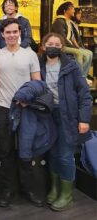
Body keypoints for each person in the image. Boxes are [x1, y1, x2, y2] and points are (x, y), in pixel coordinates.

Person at [0, 18, 42, 208]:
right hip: (3, 108)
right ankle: (7, 190)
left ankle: (29, 189)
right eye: (7, 32)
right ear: (2, 34)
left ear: (20, 32)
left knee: (26, 152)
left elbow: (37, 83)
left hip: (25, 109)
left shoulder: (30, 54)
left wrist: (28, 98)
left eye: (14, 32)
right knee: (6, 152)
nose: (11, 35)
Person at [39, 32, 92, 211]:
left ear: (62, 47)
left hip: (67, 117)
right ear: (43, 46)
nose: (52, 46)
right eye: (49, 43)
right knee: (52, 154)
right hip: (48, 116)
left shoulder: (72, 66)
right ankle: (55, 188)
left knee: (65, 155)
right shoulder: (39, 65)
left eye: (56, 43)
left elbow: (85, 95)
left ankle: (66, 194)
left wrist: (84, 119)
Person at [51, 2, 92, 77]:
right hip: (60, 46)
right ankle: (78, 77)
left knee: (89, 53)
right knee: (79, 53)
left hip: (67, 46)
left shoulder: (67, 22)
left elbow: (72, 38)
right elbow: (62, 39)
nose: (74, 11)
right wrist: (75, 47)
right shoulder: (59, 21)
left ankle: (83, 75)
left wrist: (78, 47)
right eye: (72, 9)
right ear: (65, 11)